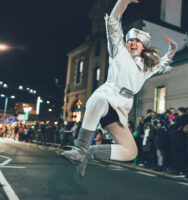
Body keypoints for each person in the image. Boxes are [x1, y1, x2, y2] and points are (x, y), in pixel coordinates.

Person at [61, 0, 178, 176]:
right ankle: (79, 149)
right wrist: (124, 1)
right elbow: (114, 20)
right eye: (130, 40)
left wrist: (172, 48)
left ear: (143, 47)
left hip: (122, 108)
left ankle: (88, 154)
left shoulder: (147, 66)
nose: (133, 43)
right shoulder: (118, 50)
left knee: (131, 151)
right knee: (98, 100)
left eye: (138, 41)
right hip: (108, 96)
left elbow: (163, 64)